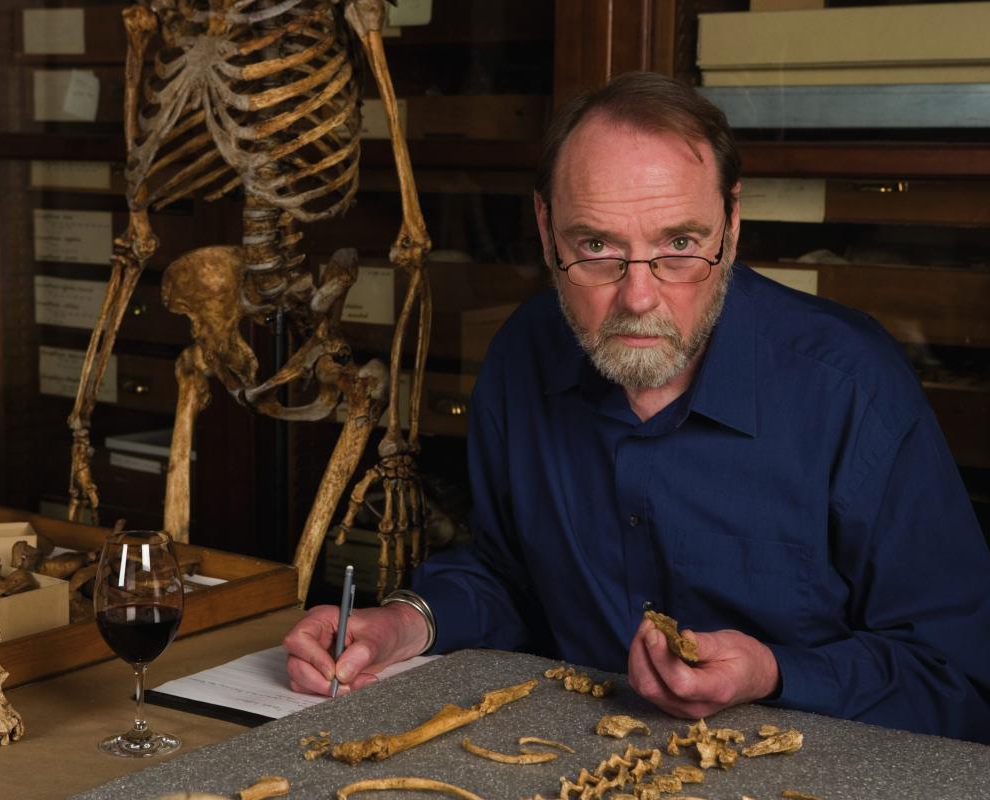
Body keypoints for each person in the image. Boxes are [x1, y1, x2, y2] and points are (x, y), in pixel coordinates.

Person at [283, 72, 990, 743]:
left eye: (679, 245)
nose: (640, 297)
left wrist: (775, 673)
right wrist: (403, 624)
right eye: (596, 248)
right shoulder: (521, 357)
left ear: (732, 223)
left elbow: (957, 678)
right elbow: (509, 576)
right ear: (544, 226)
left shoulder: (850, 387)